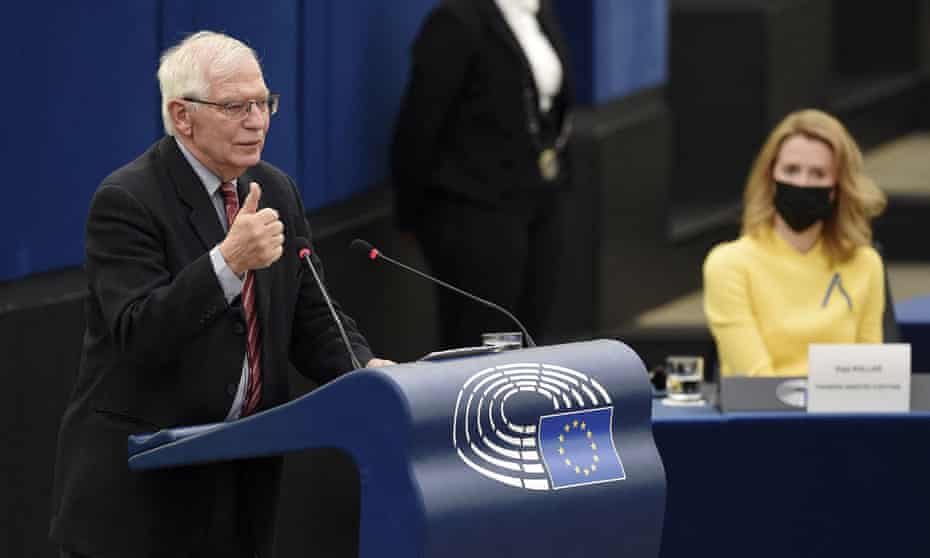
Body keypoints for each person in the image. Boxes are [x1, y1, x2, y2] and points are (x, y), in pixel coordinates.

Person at [49, 31, 392, 558]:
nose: (258, 121)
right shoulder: (127, 200)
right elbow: (141, 333)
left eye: (264, 103)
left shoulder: (275, 189)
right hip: (146, 487)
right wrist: (227, 263)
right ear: (182, 116)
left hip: (244, 477)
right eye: (236, 106)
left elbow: (311, 315)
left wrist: (367, 371)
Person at [392, 0, 574, 349]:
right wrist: (411, 213)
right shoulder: (456, 20)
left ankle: (527, 404)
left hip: (541, 199)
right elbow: (419, 123)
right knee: (482, 336)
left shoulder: (538, 13)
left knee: (533, 328)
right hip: (474, 207)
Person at [703, 109, 887, 377]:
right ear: (771, 178)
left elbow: (872, 376)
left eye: (818, 174)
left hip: (842, 415)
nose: (802, 182)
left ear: (837, 188)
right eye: (791, 170)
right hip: (762, 416)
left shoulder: (865, 263)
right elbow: (756, 382)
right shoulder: (729, 265)